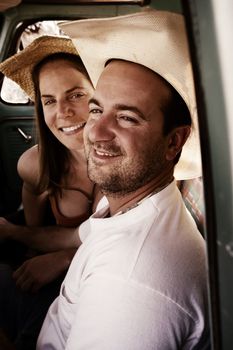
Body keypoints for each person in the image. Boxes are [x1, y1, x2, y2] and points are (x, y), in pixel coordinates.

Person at [37, 9, 210, 350]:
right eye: (98, 109)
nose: (96, 131)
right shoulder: (127, 201)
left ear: (173, 142)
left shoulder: (133, 286)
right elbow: (82, 237)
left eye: (127, 117)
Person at [0, 35, 102, 349]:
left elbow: (114, 244)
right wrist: (28, 239)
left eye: (76, 95)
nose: (63, 112)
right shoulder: (35, 165)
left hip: (99, 282)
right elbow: (33, 204)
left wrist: (63, 258)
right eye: (49, 100)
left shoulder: (125, 166)